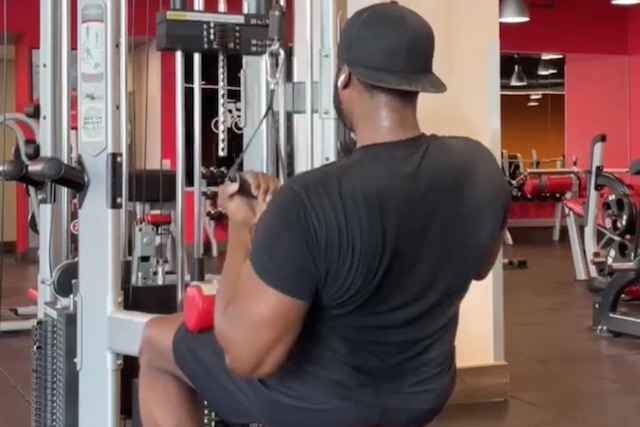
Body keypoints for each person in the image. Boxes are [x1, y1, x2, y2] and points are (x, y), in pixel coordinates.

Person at [137, 2, 510, 427]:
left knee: (155, 341)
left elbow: (244, 356)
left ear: (344, 76)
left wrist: (242, 226)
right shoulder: (479, 167)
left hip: (319, 406)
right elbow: (479, 266)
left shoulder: (310, 198)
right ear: (419, 82)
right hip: (423, 392)